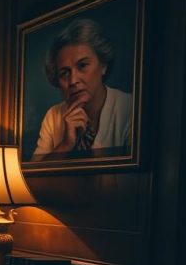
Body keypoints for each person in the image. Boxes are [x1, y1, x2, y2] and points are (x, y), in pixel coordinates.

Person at [31, 18, 132, 161]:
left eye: (82, 65)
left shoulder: (130, 108)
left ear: (103, 65)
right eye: (64, 73)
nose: (73, 80)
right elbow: (34, 174)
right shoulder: (53, 116)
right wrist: (65, 145)